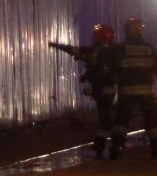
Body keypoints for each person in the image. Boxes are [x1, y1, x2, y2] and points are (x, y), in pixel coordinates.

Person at [50, 23, 118, 156]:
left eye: (96, 36)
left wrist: (57, 46)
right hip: (107, 90)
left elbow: (77, 52)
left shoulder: (97, 51)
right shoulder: (114, 51)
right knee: (107, 119)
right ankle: (105, 144)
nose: (94, 38)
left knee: (107, 119)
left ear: (104, 37)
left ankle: (103, 145)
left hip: (104, 90)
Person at [109, 16, 157, 159]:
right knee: (151, 118)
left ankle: (117, 146)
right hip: (146, 91)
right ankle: (156, 146)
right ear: (141, 30)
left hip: (126, 91)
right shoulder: (149, 48)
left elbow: (112, 69)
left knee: (121, 120)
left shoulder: (120, 49)